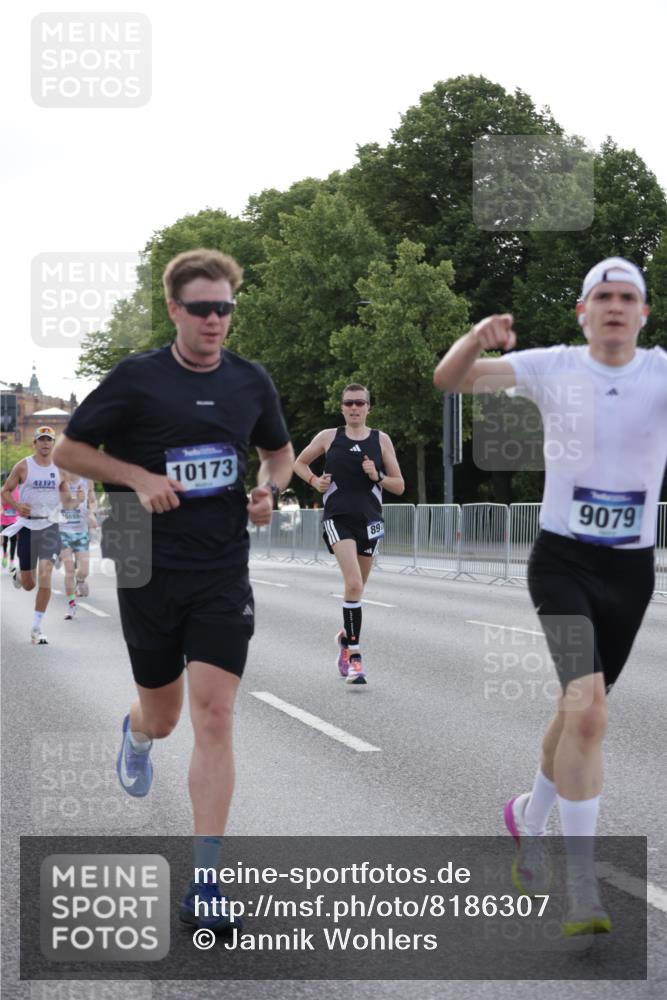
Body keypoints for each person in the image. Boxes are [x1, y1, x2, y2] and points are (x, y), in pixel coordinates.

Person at [53, 248, 294, 931]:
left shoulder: (251, 381)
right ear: (174, 310)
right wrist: (134, 476)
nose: (215, 320)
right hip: (143, 559)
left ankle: (207, 882)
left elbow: (277, 451)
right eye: (202, 308)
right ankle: (134, 732)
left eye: (225, 308)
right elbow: (70, 449)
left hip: (220, 566)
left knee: (214, 716)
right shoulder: (136, 378)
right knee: (163, 718)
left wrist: (267, 490)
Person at [433, 257, 667, 936]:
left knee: (576, 715)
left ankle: (527, 817)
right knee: (588, 713)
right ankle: (581, 887)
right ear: (582, 311)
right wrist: (476, 337)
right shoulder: (552, 365)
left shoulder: (658, 372)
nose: (615, 306)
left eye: (628, 297)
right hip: (561, 563)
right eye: (603, 296)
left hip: (629, 571)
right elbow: (449, 382)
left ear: (643, 313)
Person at [294, 384, 405, 684]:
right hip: (338, 518)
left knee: (357, 590)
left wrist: (377, 476)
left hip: (370, 521)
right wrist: (315, 480)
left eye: (360, 403)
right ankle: (355, 658)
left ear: (369, 407)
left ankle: (345, 638)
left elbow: (399, 485)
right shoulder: (329, 437)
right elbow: (299, 462)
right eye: (349, 403)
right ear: (341, 407)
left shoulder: (381, 440)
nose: (354, 407)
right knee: (353, 583)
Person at [1, 427, 74, 644]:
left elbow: (67, 498)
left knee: (46, 574)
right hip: (27, 527)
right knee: (28, 584)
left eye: (49, 440)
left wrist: (74, 500)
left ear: (53, 444)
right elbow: (5, 491)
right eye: (41, 440)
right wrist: (17, 505)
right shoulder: (24, 466)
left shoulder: (60, 468)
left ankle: (36, 627)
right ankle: (18, 575)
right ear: (35, 443)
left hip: (49, 526)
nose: (45, 444)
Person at [59, 470, 98, 619]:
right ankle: (71, 606)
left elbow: (93, 500)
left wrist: (91, 513)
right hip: (63, 531)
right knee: (69, 570)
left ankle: (80, 580)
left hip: (81, 532)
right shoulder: (60, 479)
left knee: (84, 571)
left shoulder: (87, 479)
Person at [1, 479, 19, 570]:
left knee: (13, 541)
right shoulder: (3, 490)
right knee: (5, 540)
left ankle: (11, 563)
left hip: (14, 520)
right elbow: (2, 503)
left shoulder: (17, 491)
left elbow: (19, 503)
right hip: (4, 519)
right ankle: (4, 554)